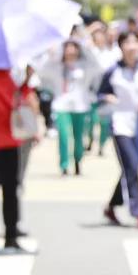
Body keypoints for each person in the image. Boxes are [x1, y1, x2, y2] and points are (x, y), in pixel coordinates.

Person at [98, 32, 138, 229]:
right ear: (120, 46)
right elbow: (100, 93)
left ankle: (112, 205)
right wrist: (107, 98)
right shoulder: (113, 71)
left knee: (132, 167)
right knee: (130, 164)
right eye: (126, 42)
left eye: (135, 42)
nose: (131, 46)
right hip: (119, 123)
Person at [36, 39, 102, 176]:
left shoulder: (84, 66)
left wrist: (88, 48)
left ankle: (78, 160)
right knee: (64, 136)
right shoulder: (56, 66)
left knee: (79, 136)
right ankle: (64, 164)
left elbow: (98, 67)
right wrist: (50, 54)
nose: (70, 50)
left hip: (80, 106)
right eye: (68, 47)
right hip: (61, 105)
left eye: (74, 47)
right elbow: (41, 71)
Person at [0, 66, 33, 253]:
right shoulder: (4, 78)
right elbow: (16, 104)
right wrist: (26, 83)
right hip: (6, 141)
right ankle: (10, 237)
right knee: (10, 191)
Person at [88, 22, 119, 156]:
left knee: (105, 121)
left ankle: (101, 145)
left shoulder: (116, 52)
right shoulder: (91, 51)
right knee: (91, 120)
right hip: (91, 90)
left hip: (107, 91)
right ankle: (89, 140)